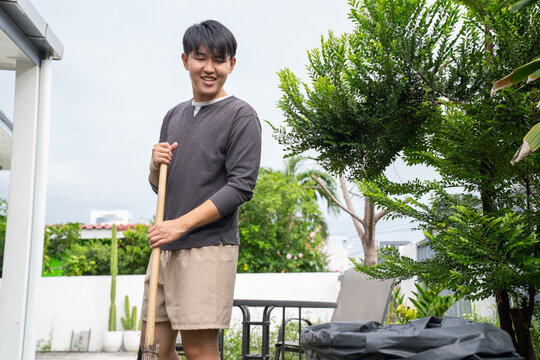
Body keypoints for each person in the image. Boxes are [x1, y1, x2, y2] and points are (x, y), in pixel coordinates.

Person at [140, 20, 262, 360]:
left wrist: (179, 225)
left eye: (219, 60)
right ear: (185, 60)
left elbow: (240, 188)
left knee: (198, 350)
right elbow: (163, 187)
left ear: (231, 65)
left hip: (208, 248)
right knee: (152, 349)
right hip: (164, 248)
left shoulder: (241, 115)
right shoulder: (173, 116)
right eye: (201, 58)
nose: (209, 68)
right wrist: (154, 165)